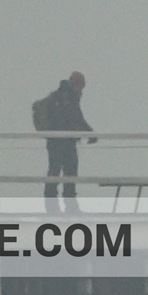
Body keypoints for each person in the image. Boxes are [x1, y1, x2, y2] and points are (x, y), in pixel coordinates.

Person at [39, 71, 95, 211]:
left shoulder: (64, 96)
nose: (82, 90)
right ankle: (64, 203)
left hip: (61, 141)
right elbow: (75, 118)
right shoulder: (66, 98)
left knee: (61, 170)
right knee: (62, 170)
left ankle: (55, 203)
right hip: (60, 141)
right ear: (75, 84)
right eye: (81, 86)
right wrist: (89, 132)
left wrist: (88, 132)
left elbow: (76, 118)